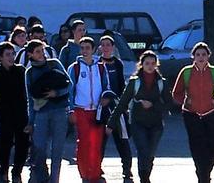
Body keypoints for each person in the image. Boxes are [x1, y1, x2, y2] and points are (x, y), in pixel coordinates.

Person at [172, 42, 214, 183]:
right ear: (193, 56)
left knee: (213, 146)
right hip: (191, 114)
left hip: (210, 113)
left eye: (204, 54)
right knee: (197, 146)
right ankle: (202, 175)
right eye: (198, 54)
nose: (201, 57)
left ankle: (206, 171)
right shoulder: (186, 72)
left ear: (208, 56)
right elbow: (176, 93)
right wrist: (185, 101)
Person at [111, 50, 172, 183]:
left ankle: (146, 176)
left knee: (150, 154)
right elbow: (122, 103)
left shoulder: (162, 82)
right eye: (147, 63)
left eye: (152, 63)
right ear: (141, 64)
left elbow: (169, 104)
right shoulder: (134, 82)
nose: (150, 66)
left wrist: (153, 105)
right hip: (138, 123)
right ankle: (144, 178)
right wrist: (111, 123)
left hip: (156, 124)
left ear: (156, 65)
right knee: (143, 150)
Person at [24, 39, 71, 183]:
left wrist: (56, 93)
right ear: (30, 54)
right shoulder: (30, 72)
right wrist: (30, 122)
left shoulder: (54, 63)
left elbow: (69, 84)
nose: (41, 54)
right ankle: (42, 178)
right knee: (39, 149)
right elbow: (30, 99)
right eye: (37, 51)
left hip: (59, 110)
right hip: (41, 113)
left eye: (42, 50)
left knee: (57, 149)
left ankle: (55, 179)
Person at [0, 42, 30, 183]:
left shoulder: (21, 71)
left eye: (12, 54)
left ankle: (17, 171)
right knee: (5, 143)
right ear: (0, 57)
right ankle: (4, 171)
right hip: (4, 114)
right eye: (7, 55)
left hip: (21, 113)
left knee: (23, 144)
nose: (11, 57)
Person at [67, 36, 111, 183]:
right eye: (82, 48)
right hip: (81, 110)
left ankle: (95, 173)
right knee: (84, 143)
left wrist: (106, 99)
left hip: (97, 111)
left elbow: (107, 87)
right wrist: (71, 110)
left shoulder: (100, 67)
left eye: (88, 48)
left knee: (97, 143)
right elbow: (70, 90)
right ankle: (85, 174)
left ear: (93, 50)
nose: (85, 51)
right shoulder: (75, 68)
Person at [98, 35, 133, 181]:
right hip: (101, 107)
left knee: (122, 139)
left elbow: (121, 86)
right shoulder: (96, 63)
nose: (106, 48)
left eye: (108, 45)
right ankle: (97, 168)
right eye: (103, 45)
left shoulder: (118, 63)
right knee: (100, 141)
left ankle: (127, 169)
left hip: (117, 107)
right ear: (100, 48)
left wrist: (123, 105)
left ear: (113, 47)